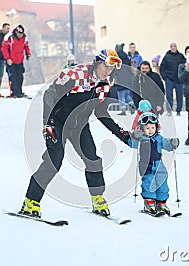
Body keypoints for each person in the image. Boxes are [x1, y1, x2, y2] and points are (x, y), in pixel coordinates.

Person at [20, 49, 131, 218]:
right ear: (97, 63)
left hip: (79, 126)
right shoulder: (75, 74)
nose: (108, 71)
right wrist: (48, 123)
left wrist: (124, 135)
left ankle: (97, 197)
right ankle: (31, 201)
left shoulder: (105, 84)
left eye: (111, 68)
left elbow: (101, 113)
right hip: (58, 123)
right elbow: (50, 94)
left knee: (92, 159)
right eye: (106, 66)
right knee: (54, 161)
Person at [128, 112, 179, 215]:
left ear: (156, 127)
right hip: (147, 166)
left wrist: (173, 143)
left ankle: (161, 202)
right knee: (149, 183)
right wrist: (134, 136)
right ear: (142, 128)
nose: (150, 130)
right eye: (147, 128)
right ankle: (149, 202)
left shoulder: (159, 138)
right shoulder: (141, 139)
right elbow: (132, 144)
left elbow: (168, 145)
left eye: (152, 127)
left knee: (162, 185)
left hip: (160, 165)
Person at [1, 24, 31, 98]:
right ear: (16, 32)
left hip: (20, 60)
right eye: (19, 34)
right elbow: (4, 48)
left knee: (20, 76)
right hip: (11, 61)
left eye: (21, 34)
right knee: (13, 77)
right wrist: (7, 58)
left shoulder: (24, 38)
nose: (20, 35)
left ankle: (19, 92)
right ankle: (14, 92)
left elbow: (26, 46)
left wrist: (28, 54)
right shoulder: (9, 37)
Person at [160, 42, 186, 116]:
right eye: (171, 46)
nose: (173, 47)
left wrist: (183, 77)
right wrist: (165, 77)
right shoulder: (167, 56)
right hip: (169, 79)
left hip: (179, 80)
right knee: (169, 96)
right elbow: (162, 68)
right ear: (170, 47)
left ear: (176, 47)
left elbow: (184, 66)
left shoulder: (181, 56)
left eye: (174, 46)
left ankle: (178, 111)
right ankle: (169, 110)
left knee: (180, 95)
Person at [114, 43, 135, 115]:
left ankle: (123, 110)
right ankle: (131, 105)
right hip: (128, 80)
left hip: (120, 80)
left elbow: (115, 70)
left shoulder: (116, 59)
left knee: (121, 96)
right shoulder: (127, 58)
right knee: (127, 95)